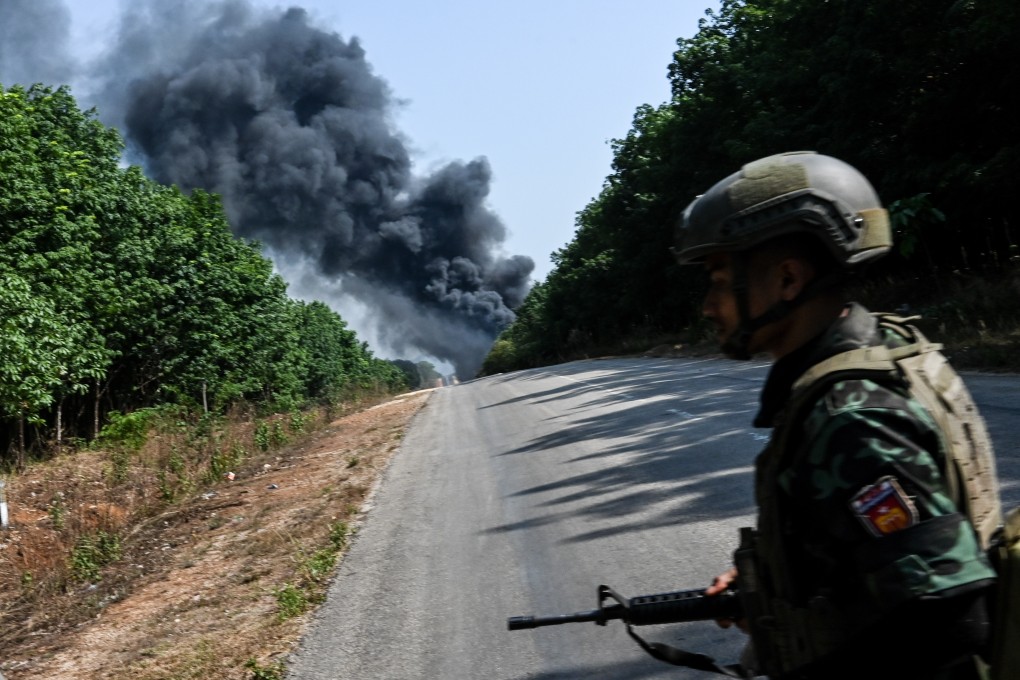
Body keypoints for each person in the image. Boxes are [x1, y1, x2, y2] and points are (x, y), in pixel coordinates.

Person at [672, 151, 998, 679]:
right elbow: (866, 561)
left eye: (718, 278)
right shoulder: (885, 347)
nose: (709, 305)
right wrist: (772, 590)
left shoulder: (851, 419)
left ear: (788, 280)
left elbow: (949, 623)